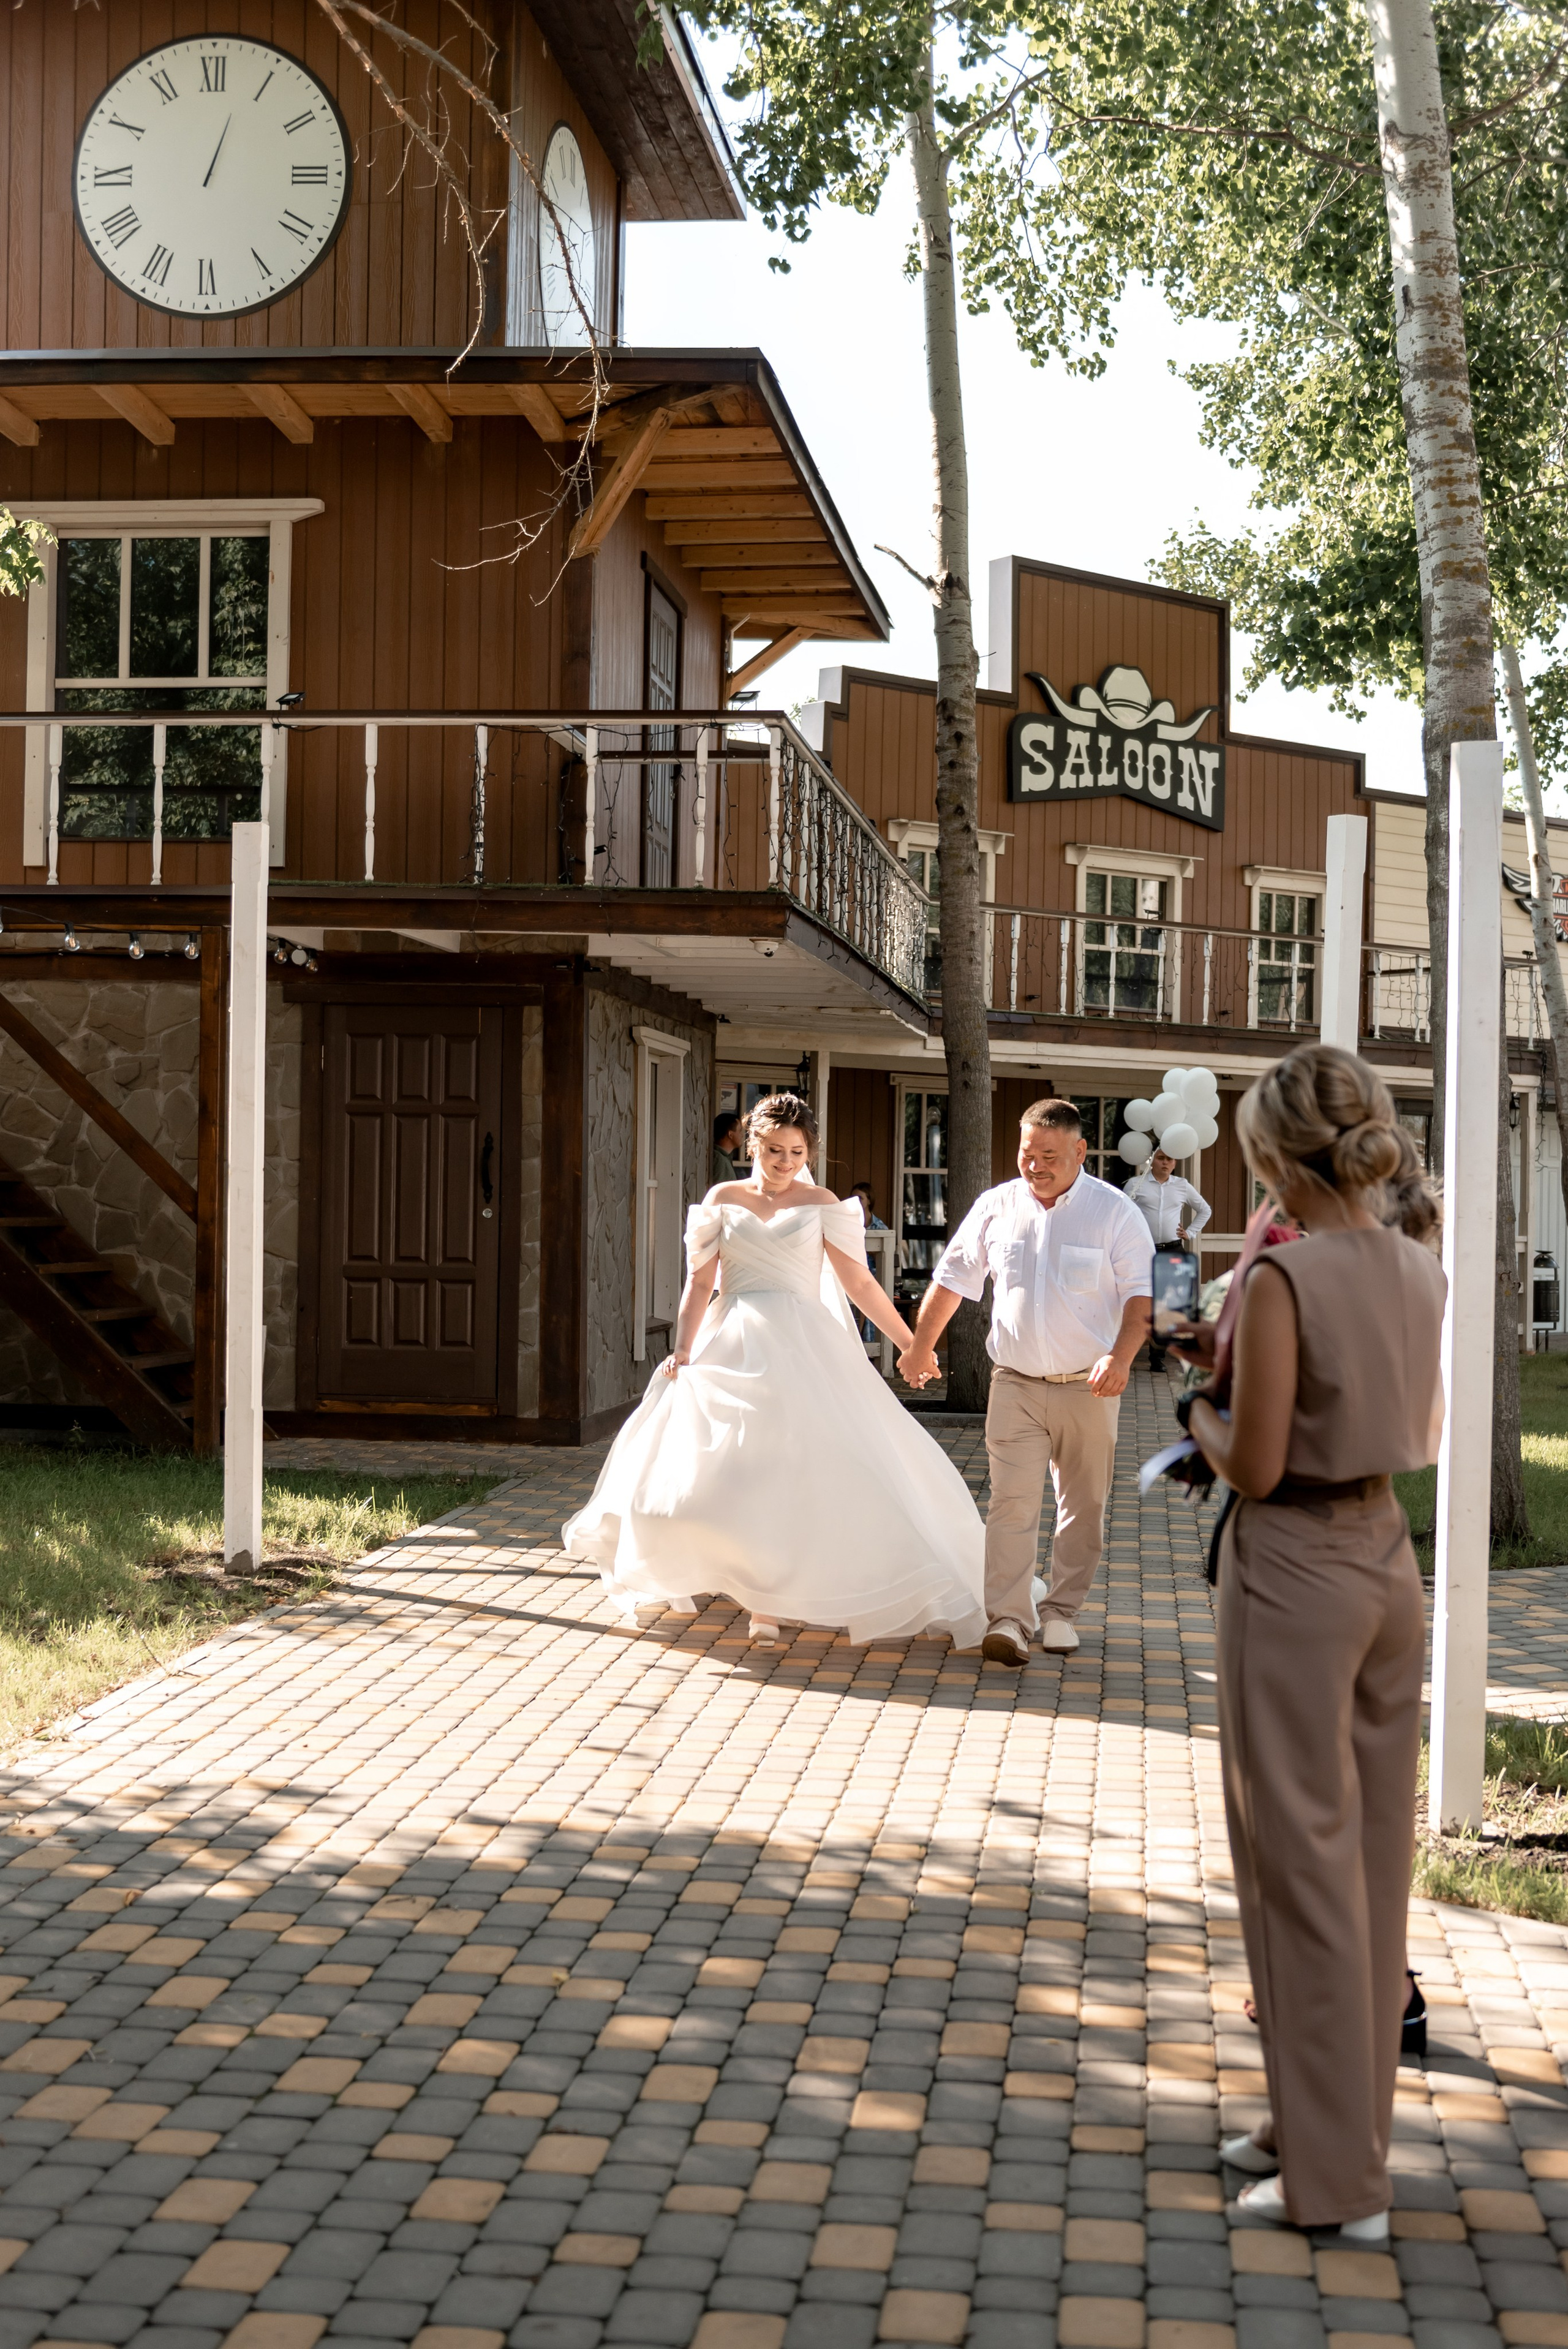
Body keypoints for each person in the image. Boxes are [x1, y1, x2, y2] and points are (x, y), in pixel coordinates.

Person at [1169, 1044, 1444, 2242]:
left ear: (1273, 1157)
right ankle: (1313, 2126)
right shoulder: (1416, 1267)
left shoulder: (1280, 1283)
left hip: (1293, 1572)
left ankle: (1339, 2183)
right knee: (1370, 1870)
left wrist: (1194, 1410)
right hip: (1387, 1557)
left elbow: (1255, 1458)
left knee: (1296, 1872)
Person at [564, 1093, 987, 1650]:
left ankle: (773, 1600)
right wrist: (685, 1347)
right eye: (772, 1149)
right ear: (752, 1143)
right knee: (729, 1466)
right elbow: (698, 1283)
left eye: (795, 1150)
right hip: (731, 1335)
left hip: (803, 1344)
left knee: (800, 1465)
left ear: (809, 1150)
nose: (784, 1161)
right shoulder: (723, 1198)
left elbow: (859, 1283)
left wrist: (913, 1344)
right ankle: (749, 1584)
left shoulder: (822, 1202)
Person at [897, 1098, 1153, 1666]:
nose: (1034, 1164)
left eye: (1049, 1155)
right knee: (1011, 1505)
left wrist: (1122, 1357)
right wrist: (920, 1346)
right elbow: (951, 1281)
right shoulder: (996, 1207)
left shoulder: (1114, 1213)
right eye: (1026, 1152)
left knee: (1082, 1507)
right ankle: (1009, 1619)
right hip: (1013, 1383)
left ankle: (1061, 1611)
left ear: (1080, 1151)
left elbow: (1143, 1295)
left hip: (1088, 1385)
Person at [1125, 1147, 1211, 1371]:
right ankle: (1125, 1349)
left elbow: (1205, 1210)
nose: (1165, 1163)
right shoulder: (1136, 1184)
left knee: (1169, 1303)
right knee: (1137, 1297)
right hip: (1142, 1251)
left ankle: (1158, 1357)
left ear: (1174, 1164)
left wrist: (1190, 1233)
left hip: (1173, 1250)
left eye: (1169, 1159)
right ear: (1152, 1161)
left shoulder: (1182, 1185)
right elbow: (1122, 1215)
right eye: (1161, 1158)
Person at [850, 1182, 890, 1344]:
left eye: (860, 1198)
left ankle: (867, 1345)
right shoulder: (848, 1223)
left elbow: (885, 1259)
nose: (856, 1201)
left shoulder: (879, 1227)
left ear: (869, 1200)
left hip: (873, 1277)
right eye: (853, 1198)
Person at [712, 1110, 744, 1188]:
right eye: (740, 1131)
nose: (742, 1135)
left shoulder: (724, 1157)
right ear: (730, 1134)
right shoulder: (719, 1159)